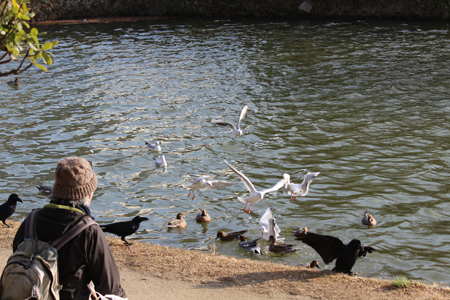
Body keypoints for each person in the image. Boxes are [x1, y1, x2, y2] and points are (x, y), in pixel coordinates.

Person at [13, 157, 127, 300]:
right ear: (89, 194)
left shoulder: (30, 221)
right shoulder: (89, 232)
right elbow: (110, 289)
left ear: (56, 189)